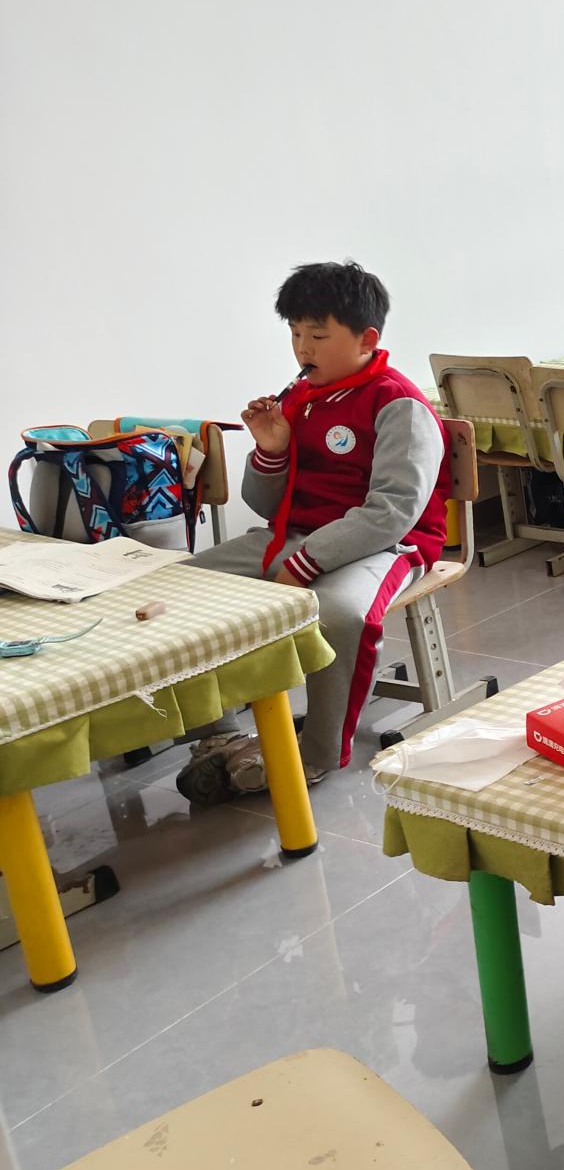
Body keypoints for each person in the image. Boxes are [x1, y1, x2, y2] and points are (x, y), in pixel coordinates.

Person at [177, 261, 449, 801]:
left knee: (341, 615)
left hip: (385, 545)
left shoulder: (398, 403)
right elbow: (263, 505)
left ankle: (317, 754)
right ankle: (221, 735)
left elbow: (393, 511)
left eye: (318, 336)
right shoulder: (301, 399)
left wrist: (304, 564)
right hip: (296, 534)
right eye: (295, 334)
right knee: (184, 587)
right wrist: (271, 451)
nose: (303, 348)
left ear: (367, 339)